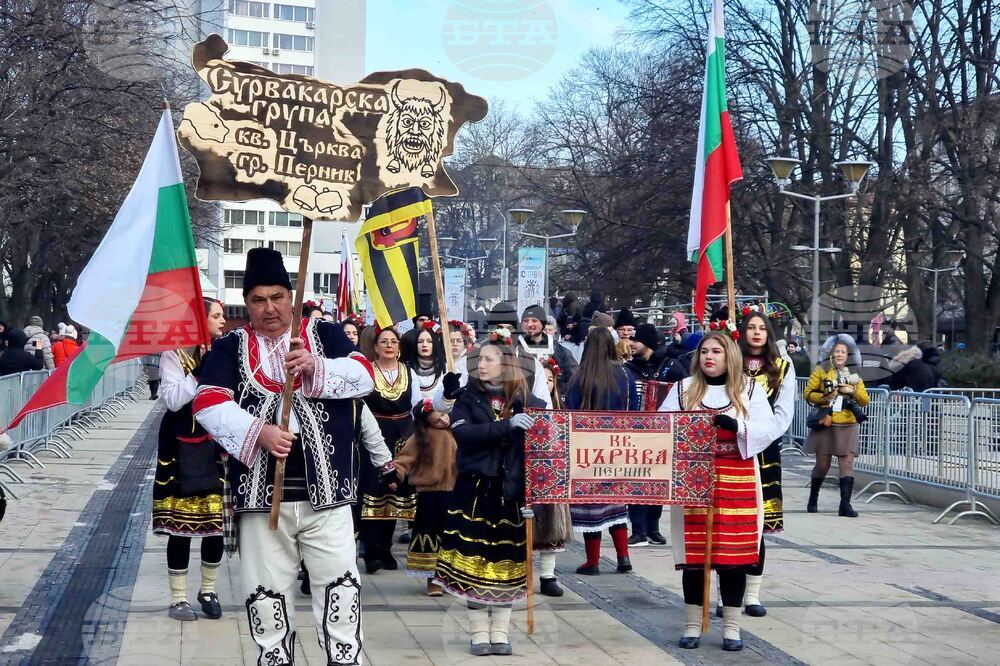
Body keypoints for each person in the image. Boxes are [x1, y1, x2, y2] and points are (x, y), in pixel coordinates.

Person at [193, 247, 386, 665]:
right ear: (246, 303)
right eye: (258, 299)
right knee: (266, 599)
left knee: (340, 593)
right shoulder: (229, 348)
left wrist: (318, 367)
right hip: (262, 501)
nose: (269, 308)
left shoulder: (327, 335)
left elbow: (364, 377)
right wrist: (257, 432)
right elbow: (207, 402)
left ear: (291, 297)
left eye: (277, 297)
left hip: (329, 497)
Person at [659, 331, 772, 652]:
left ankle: (732, 629)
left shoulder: (749, 389)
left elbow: (767, 429)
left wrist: (738, 427)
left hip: (737, 480)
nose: (709, 356)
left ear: (729, 356)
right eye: (704, 351)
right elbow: (661, 426)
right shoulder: (683, 389)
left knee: (733, 559)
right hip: (692, 480)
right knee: (694, 558)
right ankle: (693, 625)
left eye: (717, 351)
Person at [433, 332, 545, 656]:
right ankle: (479, 632)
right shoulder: (467, 396)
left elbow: (542, 447)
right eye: (479, 360)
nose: (481, 365)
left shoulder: (526, 401)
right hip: (474, 490)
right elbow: (463, 432)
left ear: (506, 364)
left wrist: (533, 494)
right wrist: (507, 426)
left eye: (488, 359)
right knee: (474, 563)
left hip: (510, 493)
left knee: (507, 562)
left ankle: (501, 633)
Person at [154, 298, 228, 621]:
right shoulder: (174, 354)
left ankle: (208, 589)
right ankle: (178, 598)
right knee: (180, 527)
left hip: (215, 446)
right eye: (216, 315)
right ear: (201, 320)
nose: (223, 320)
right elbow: (172, 400)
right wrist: (199, 368)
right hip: (180, 447)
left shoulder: (224, 354)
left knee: (215, 526)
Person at [731, 310, 796, 617]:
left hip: (764, 450)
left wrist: (757, 435)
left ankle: (752, 595)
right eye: (751, 327)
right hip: (730, 449)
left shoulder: (782, 367)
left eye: (762, 328)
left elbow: (783, 414)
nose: (756, 333)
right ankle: (725, 595)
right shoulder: (731, 365)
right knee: (728, 524)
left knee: (756, 525)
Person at [565, 327, 637, 575]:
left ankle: (593, 561)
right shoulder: (626, 375)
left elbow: (570, 414)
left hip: (587, 448)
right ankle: (623, 556)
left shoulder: (580, 377)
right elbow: (634, 411)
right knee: (618, 503)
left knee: (591, 505)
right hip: (619, 447)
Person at [360, 326, 422, 573]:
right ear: (375, 347)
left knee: (397, 492)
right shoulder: (366, 371)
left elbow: (417, 405)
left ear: (399, 347)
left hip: (403, 435)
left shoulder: (409, 373)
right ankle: (371, 552)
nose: (388, 345)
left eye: (393, 341)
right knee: (372, 490)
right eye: (383, 341)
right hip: (374, 432)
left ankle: (386, 550)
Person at [389, 400, 457, 596]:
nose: (443, 420)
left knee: (450, 536)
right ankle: (433, 578)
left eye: (445, 415)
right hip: (430, 493)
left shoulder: (456, 432)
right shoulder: (421, 437)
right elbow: (404, 459)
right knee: (430, 535)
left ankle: (449, 576)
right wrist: (395, 474)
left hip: (453, 491)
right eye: (437, 417)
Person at [804, 334, 870, 518]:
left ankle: (845, 504)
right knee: (822, 465)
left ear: (848, 355)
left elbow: (865, 401)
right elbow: (808, 393)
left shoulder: (854, 376)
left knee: (847, 462)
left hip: (848, 423)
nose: (840, 354)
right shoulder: (822, 370)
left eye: (843, 352)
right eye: (836, 351)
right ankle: (813, 497)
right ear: (831, 354)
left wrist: (853, 391)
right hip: (827, 422)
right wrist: (826, 396)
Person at [624, 323, 670, 546]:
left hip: (661, 433)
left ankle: (653, 528)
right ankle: (638, 529)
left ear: (648, 344)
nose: (631, 343)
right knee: (636, 480)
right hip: (635, 433)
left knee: (658, 481)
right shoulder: (628, 369)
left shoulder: (670, 367)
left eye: (636, 340)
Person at [534, 357, 573, 597]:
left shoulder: (561, 409)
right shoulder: (526, 404)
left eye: (550, 380)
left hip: (552, 472)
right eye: (542, 379)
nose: (546, 384)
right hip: (528, 469)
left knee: (551, 523)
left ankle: (548, 575)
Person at [517, 304, 577, 393]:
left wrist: (557, 392)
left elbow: (571, 377)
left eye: (534, 320)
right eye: (526, 321)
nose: (529, 324)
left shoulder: (559, 350)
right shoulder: (516, 348)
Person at [401, 323, 447, 399]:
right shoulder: (405, 370)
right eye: (420, 341)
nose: (424, 344)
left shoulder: (445, 369)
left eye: (429, 341)